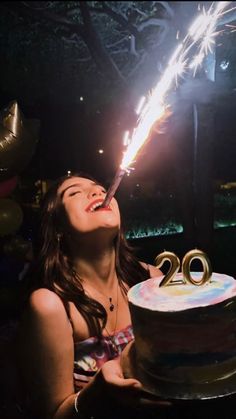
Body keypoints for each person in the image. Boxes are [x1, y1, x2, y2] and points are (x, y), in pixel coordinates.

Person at [16, 172, 165, 419]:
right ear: (59, 228)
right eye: (75, 192)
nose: (97, 192)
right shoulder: (51, 305)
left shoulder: (150, 280)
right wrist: (98, 394)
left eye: (99, 188)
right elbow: (54, 414)